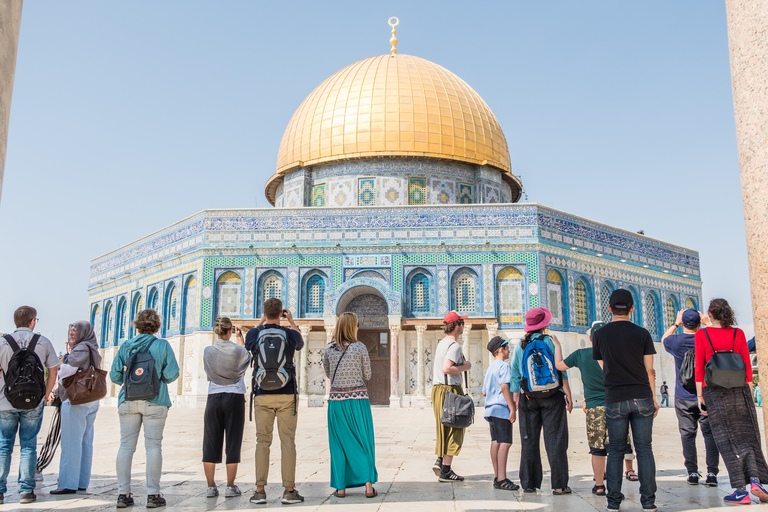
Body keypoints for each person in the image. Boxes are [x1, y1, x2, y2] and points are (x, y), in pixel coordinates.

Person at [695, 298, 768, 504]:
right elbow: (746, 365)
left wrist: (700, 396)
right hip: (740, 390)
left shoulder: (703, 334)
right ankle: (756, 481)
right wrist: (748, 390)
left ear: (709, 314)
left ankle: (739, 491)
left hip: (714, 392)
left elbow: (699, 368)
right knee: (748, 437)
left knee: (725, 440)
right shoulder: (738, 334)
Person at [554, 321, 638, 496]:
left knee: (597, 449)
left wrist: (557, 346)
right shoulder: (618, 355)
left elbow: (559, 365)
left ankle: (599, 485)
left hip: (594, 409)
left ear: (591, 337)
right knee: (616, 448)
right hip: (617, 406)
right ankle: (616, 488)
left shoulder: (581, 355)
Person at [593, 289, 658, 512]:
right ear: (632, 309)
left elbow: (604, 367)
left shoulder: (600, 335)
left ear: (609, 309)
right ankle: (648, 503)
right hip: (642, 396)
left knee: (616, 451)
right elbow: (650, 370)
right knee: (644, 449)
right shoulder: (642, 333)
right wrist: (654, 398)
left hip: (615, 398)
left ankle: (613, 503)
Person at [109, 309, 180, 509]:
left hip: (129, 401)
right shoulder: (162, 345)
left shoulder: (126, 345)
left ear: (137, 325)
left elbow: (114, 376)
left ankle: (123, 494)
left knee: (126, 447)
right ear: (156, 325)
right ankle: (153, 495)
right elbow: (173, 373)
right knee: (153, 447)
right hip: (156, 401)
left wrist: (130, 379)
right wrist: (159, 377)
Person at [245, 298, 305, 505]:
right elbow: (301, 344)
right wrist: (292, 322)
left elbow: (248, 344)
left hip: (262, 394)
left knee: (263, 442)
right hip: (287, 394)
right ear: (281, 313)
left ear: (264, 312)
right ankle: (289, 491)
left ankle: (260, 491)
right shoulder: (289, 334)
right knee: (287, 441)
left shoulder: (255, 333)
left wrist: (261, 322)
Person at [510, 307, 572, 494]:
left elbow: (515, 374)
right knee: (556, 440)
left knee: (529, 440)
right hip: (553, 397)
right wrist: (567, 393)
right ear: (544, 324)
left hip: (528, 397)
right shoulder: (550, 342)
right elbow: (561, 369)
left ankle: (529, 483)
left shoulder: (521, 344)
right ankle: (559, 485)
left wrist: (515, 400)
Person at [0, 306, 59, 504]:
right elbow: (53, 371)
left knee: (4, 446)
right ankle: (26, 491)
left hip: (5, 402)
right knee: (28, 445)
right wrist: (46, 393)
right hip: (33, 401)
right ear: (33, 321)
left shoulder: (3, 342)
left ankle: (0, 491)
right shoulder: (43, 342)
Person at [322, 312, 378, 498]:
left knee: (339, 444)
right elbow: (368, 375)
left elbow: (329, 374)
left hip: (337, 403)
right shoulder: (360, 347)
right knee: (362, 442)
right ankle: (368, 487)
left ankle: (341, 488)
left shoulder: (329, 348)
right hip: (358, 402)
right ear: (353, 326)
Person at [662, 308, 719, 486]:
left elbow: (664, 339)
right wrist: (708, 323)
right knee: (710, 435)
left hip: (683, 396)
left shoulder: (676, 342)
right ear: (698, 323)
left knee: (687, 435)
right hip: (707, 395)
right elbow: (719, 338)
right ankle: (712, 474)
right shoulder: (708, 339)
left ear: (683, 322)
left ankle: (692, 473)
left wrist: (675, 323)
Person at [50, 321, 102, 495]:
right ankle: (81, 482)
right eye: (70, 330)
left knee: (71, 443)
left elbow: (67, 371)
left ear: (83, 332)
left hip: (76, 401)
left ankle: (67, 484)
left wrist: (61, 362)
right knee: (85, 442)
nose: (72, 333)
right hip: (91, 400)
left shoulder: (81, 348)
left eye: (75, 330)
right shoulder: (93, 347)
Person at [202, 317, 250, 498]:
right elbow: (246, 361)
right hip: (235, 397)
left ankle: (210, 486)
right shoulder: (238, 350)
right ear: (231, 330)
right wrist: (240, 340)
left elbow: (208, 372)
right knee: (233, 441)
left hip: (214, 397)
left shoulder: (208, 351)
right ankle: (230, 486)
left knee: (210, 441)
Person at [431, 311, 472, 482]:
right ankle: (446, 470)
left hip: (438, 389)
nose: (463, 325)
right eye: (462, 322)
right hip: (450, 389)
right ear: (456, 325)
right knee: (456, 426)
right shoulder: (454, 346)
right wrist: (466, 366)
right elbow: (447, 368)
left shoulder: (442, 344)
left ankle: (440, 460)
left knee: (444, 427)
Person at [482, 336, 519, 491]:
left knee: (496, 441)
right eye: (507, 348)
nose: (509, 350)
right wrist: (511, 407)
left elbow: (484, 392)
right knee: (505, 442)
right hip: (501, 409)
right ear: (501, 350)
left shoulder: (490, 368)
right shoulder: (504, 367)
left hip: (491, 409)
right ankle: (502, 479)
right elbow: (505, 387)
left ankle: (498, 476)